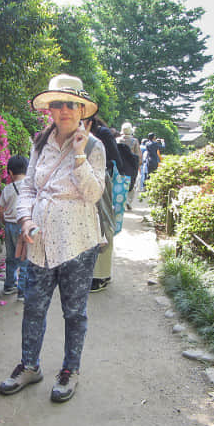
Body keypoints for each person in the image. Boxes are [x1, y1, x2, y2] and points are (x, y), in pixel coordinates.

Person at [0, 74, 105, 403]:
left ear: (81, 109)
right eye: (57, 104)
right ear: (50, 109)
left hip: (78, 244)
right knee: (33, 307)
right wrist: (26, 219)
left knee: (74, 311)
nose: (64, 110)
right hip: (40, 242)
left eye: (71, 104)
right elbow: (29, 187)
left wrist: (78, 156)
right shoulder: (40, 142)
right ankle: (30, 365)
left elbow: (93, 193)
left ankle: (70, 370)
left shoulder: (94, 146)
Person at [87, 115, 124, 293]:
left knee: (103, 225)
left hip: (102, 181)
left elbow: (115, 160)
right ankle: (99, 274)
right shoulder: (93, 133)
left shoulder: (101, 134)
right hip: (91, 182)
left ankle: (101, 276)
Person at [0, 155, 29, 301]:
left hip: (9, 226)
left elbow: (1, 209)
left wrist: (3, 222)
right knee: (24, 259)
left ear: (10, 172)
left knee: (11, 257)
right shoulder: (30, 187)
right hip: (24, 226)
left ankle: (9, 285)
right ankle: (22, 291)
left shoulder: (7, 189)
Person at [117, 122, 141, 209]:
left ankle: (121, 201)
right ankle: (128, 201)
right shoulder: (134, 141)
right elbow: (138, 154)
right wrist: (138, 165)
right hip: (131, 165)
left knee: (120, 183)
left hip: (120, 165)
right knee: (132, 184)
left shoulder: (118, 140)